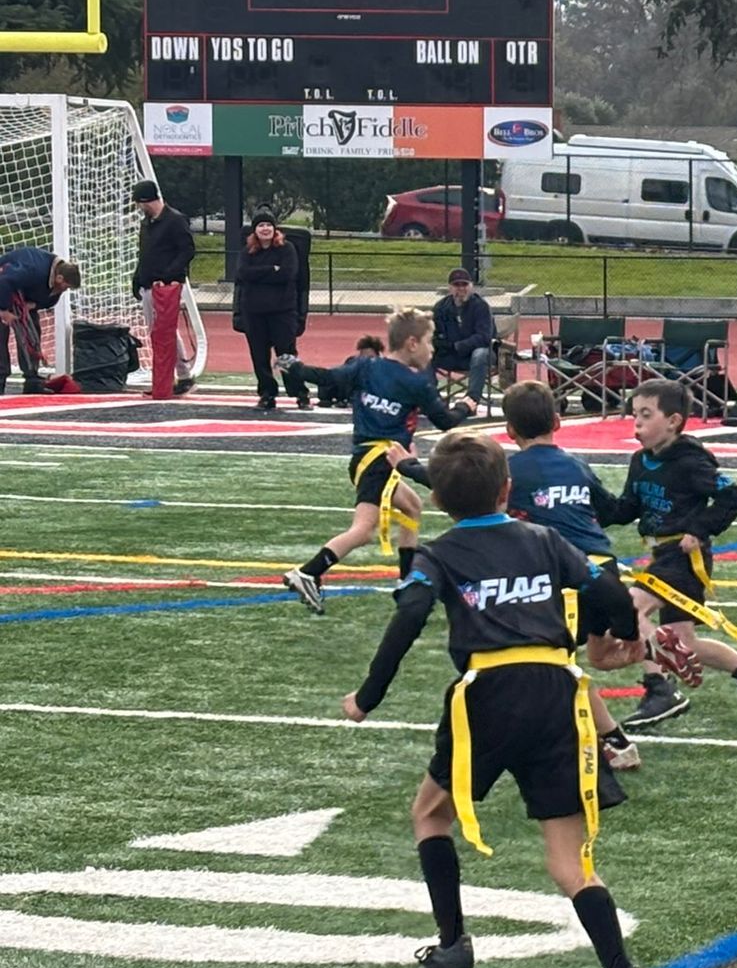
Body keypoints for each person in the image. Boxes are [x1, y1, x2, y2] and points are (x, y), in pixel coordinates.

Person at [340, 431, 656, 968]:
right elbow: (608, 590)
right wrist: (624, 637)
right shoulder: (545, 538)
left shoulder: (440, 552)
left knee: (430, 815)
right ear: (507, 489)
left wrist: (368, 696)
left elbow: (408, 615)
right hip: (558, 694)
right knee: (569, 860)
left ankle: (453, 943)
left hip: (488, 693)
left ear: (441, 502)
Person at [500, 379, 689, 743]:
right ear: (557, 422)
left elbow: (472, 493)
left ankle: (610, 739)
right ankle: (653, 653)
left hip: (568, 575)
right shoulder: (576, 465)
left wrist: (413, 467)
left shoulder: (513, 471)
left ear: (509, 431)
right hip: (604, 567)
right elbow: (610, 511)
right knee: (600, 657)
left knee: (553, 662)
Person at [596, 379, 737, 724]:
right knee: (684, 642)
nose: (637, 423)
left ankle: (660, 688)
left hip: (683, 559)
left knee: (629, 609)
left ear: (673, 421)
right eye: (634, 414)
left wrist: (700, 529)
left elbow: (732, 496)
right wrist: (593, 502)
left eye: (646, 414)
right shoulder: (640, 461)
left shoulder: (690, 460)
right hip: (659, 556)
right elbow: (627, 508)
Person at [279, 308, 477, 614]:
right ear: (412, 343)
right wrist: (466, 405)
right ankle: (308, 572)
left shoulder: (365, 367)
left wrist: (296, 368)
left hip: (366, 458)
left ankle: (407, 581)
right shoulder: (416, 383)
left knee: (411, 507)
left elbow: (328, 377)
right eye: (428, 341)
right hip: (380, 460)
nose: (432, 349)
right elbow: (445, 421)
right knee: (363, 531)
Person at [233, 211, 309, 411]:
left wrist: (260, 274)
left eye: (268, 225)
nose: (265, 229)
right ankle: (267, 393)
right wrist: (270, 270)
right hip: (254, 313)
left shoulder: (287, 249)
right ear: (255, 230)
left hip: (281, 312)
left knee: (286, 355)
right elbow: (242, 274)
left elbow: (287, 273)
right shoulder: (247, 252)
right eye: (260, 225)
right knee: (259, 356)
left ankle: (299, 393)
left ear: (275, 229)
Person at [131, 179, 196, 397]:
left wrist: (169, 275)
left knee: (164, 332)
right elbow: (146, 252)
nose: (140, 208)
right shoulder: (147, 222)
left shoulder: (175, 221)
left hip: (165, 286)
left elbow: (187, 250)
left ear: (146, 200)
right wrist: (138, 277)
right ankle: (174, 376)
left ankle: (179, 375)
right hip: (149, 285)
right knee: (158, 332)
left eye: (140, 203)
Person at [0, 247, 79, 395]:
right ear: (59, 278)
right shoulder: (32, 269)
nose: (64, 291)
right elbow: (4, 281)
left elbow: (50, 300)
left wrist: (34, 305)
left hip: (23, 296)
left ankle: (32, 380)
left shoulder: (55, 278)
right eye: (66, 287)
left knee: (31, 334)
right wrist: (3, 310)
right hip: (3, 286)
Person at [431, 269, 497, 409]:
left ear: (471, 286)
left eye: (464, 284)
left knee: (480, 353)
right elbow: (434, 335)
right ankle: (431, 399)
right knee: (424, 354)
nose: (461, 288)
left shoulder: (481, 306)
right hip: (450, 355)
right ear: (450, 287)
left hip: (480, 357)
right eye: (457, 285)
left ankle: (471, 401)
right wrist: (439, 345)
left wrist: (458, 346)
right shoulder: (440, 308)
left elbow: (484, 337)